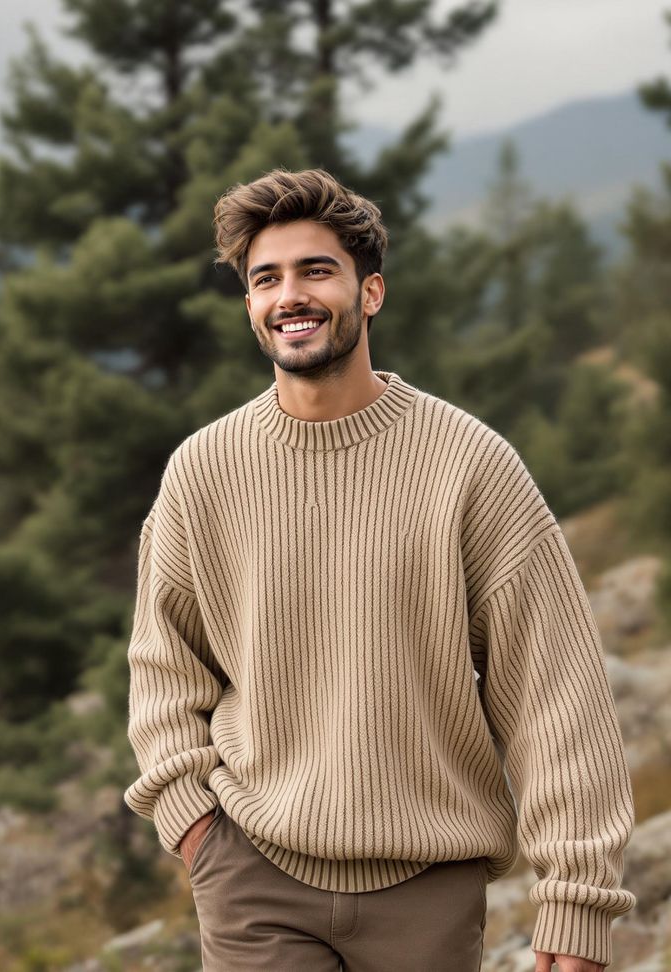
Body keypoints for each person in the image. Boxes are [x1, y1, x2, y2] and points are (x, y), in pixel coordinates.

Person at [124, 168, 636, 972]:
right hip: (253, 875)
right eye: (267, 279)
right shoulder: (204, 472)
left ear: (370, 294)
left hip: (428, 890)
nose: (289, 294)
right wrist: (194, 824)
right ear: (252, 308)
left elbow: (554, 694)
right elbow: (164, 667)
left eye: (315, 270)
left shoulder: (470, 466)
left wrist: (575, 904)